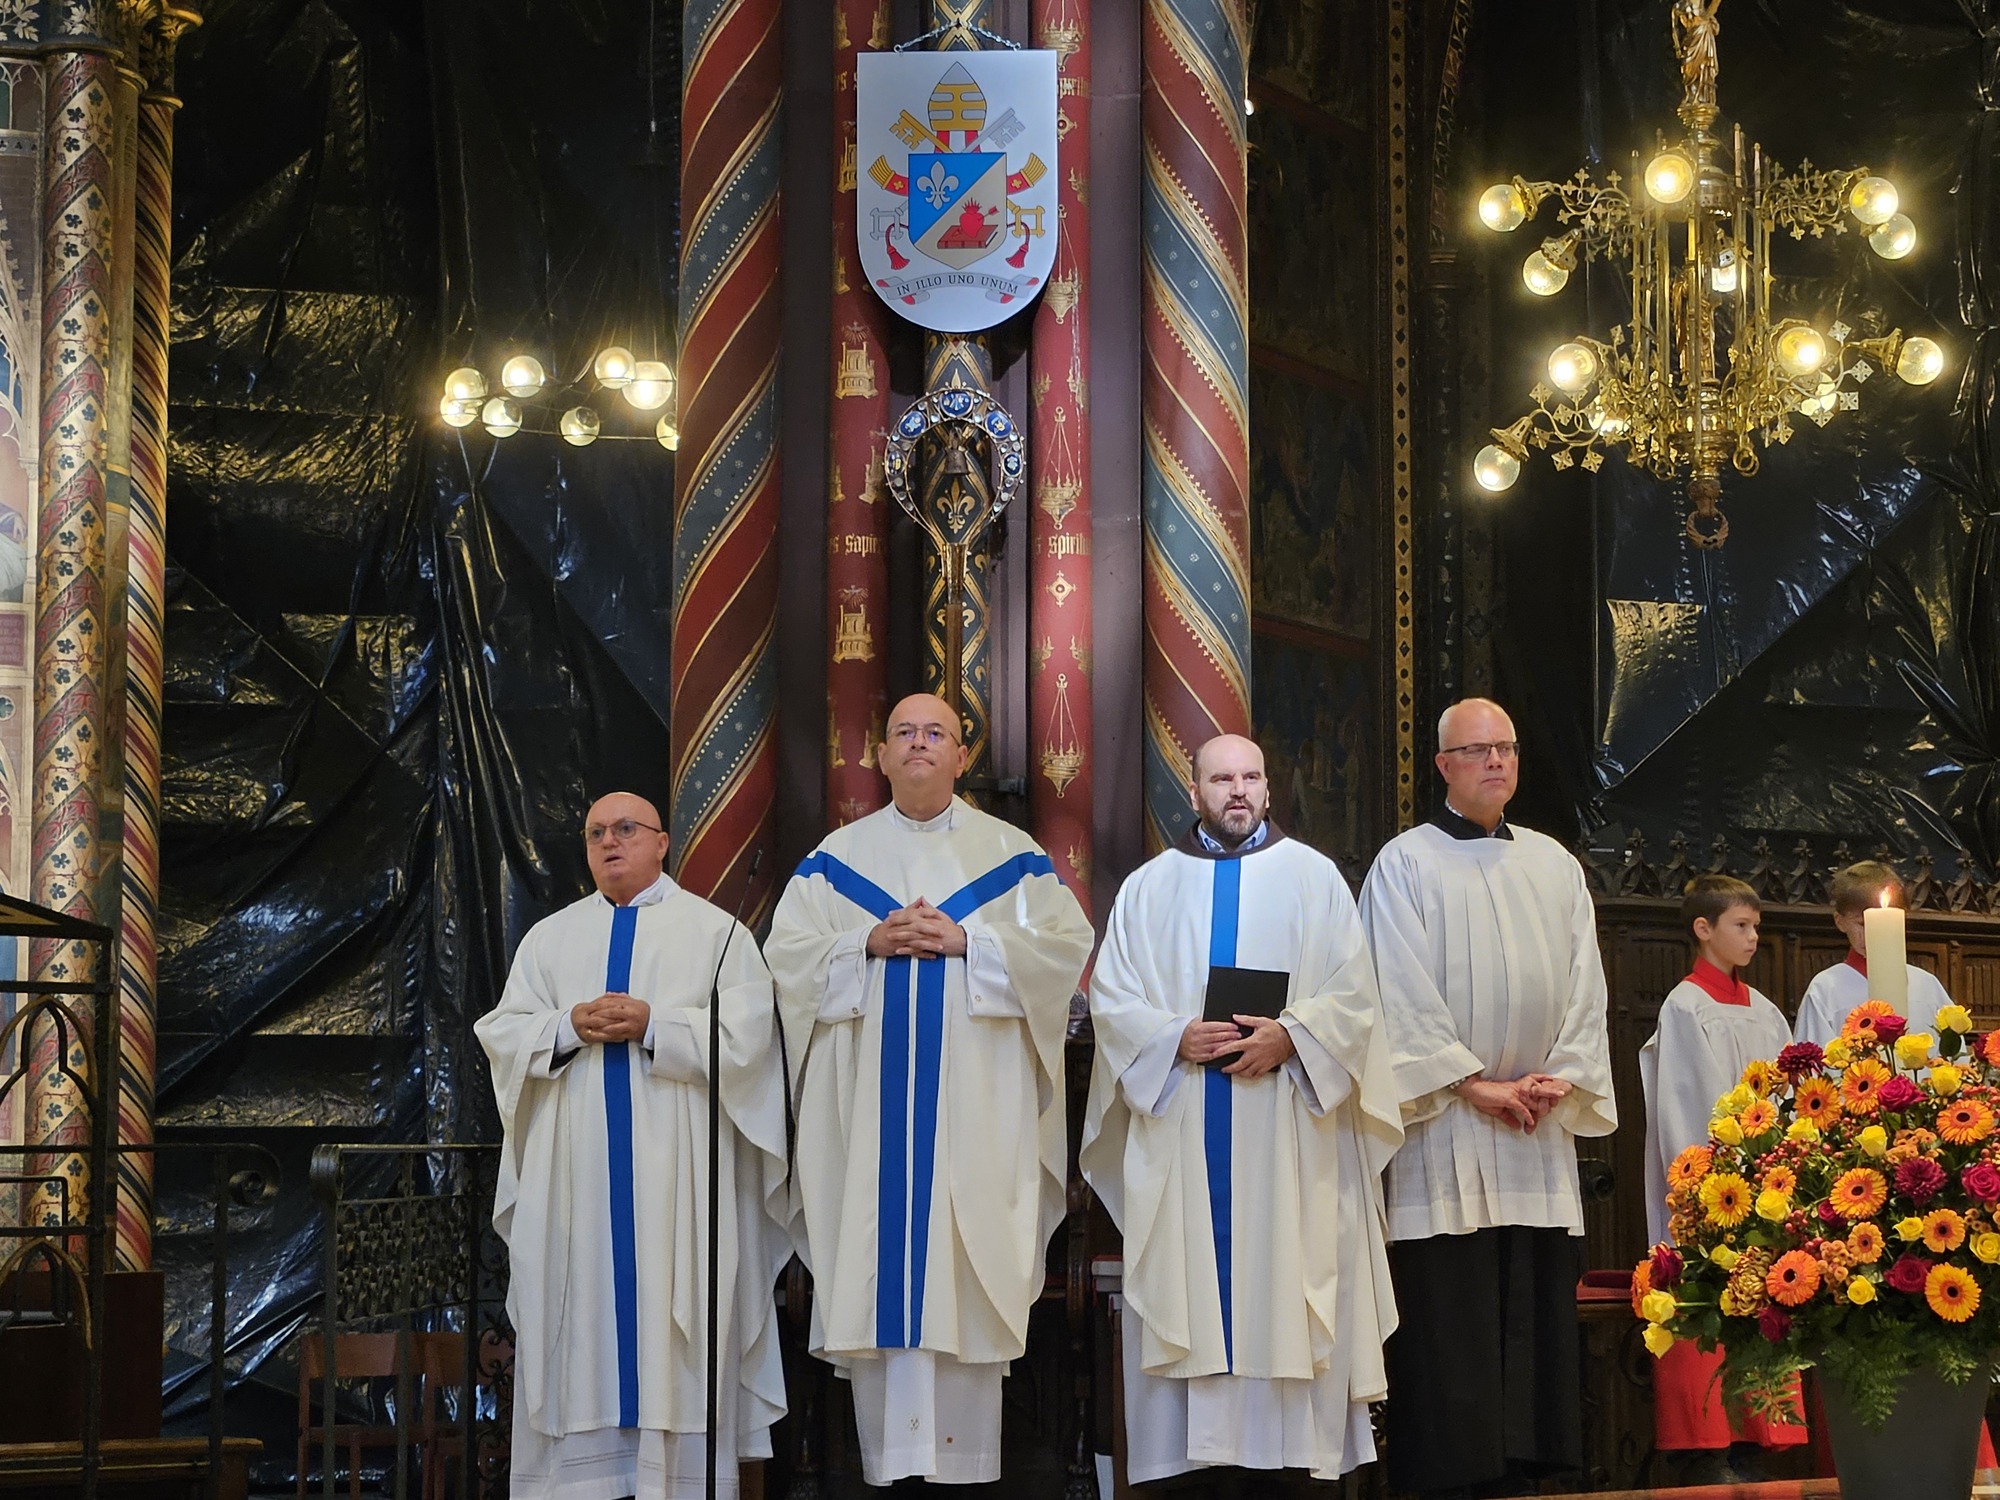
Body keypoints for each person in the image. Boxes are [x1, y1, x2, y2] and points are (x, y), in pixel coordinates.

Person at [764, 692, 1094, 1486]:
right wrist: (866, 940)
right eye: (904, 733)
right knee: (881, 1276)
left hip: (977, 1119)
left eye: (935, 733)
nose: (919, 743)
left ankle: (969, 1470)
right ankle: (881, 1470)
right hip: (866, 1129)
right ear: (879, 756)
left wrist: (970, 940)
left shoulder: (1013, 857)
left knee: (964, 1281)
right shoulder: (832, 862)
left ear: (961, 756)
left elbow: (1064, 951)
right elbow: (784, 964)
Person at [1080, 734, 1401, 1483]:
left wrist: (1294, 1037)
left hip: (1289, 1133)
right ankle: (1193, 1473)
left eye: (1251, 777)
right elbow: (1113, 1000)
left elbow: (1357, 998)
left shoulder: (1315, 879)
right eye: (1221, 778)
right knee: (1189, 1297)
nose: (1238, 790)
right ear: (1193, 792)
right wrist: (1173, 1037)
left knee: (1290, 1279)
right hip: (1184, 1119)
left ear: (1267, 789)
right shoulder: (1149, 889)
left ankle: (1287, 1468)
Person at [476, 793, 792, 1500]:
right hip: (575, 1180)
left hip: (677, 1179)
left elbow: (752, 1042)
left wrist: (656, 1026)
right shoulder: (549, 940)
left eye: (625, 829)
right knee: (578, 1314)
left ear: (662, 843)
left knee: (674, 1319)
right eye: (596, 833)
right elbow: (503, 1033)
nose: (609, 842)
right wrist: (566, 1026)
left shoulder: (716, 936)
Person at [1358, 697, 1616, 1498]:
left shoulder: (1554, 864)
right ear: (1443, 765)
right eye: (1477, 750)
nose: (1496, 761)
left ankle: (1524, 1474)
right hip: (1446, 1126)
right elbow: (1394, 989)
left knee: (1532, 1310)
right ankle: (1449, 1478)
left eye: (1506, 747)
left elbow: (1587, 984)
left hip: (1537, 1127)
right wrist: (1471, 1083)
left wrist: (1560, 1076)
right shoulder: (1405, 864)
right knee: (1453, 1314)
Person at [1638, 875, 1805, 1469]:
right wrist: (1716, 1178)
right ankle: (1707, 1450)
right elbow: (1687, 1105)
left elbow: (1788, 1096)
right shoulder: (1685, 1006)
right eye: (1741, 925)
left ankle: (1762, 1442)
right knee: (1706, 1300)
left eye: (1756, 926)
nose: (1754, 937)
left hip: (1766, 1185)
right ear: (1703, 929)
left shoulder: (1764, 1010)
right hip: (1712, 1189)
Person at [1792, 860, 1952, 1048]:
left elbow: (1952, 1056)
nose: (1873, 934)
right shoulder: (1825, 989)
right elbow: (1811, 1057)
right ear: (1840, 921)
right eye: (1862, 924)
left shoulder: (1927, 986)